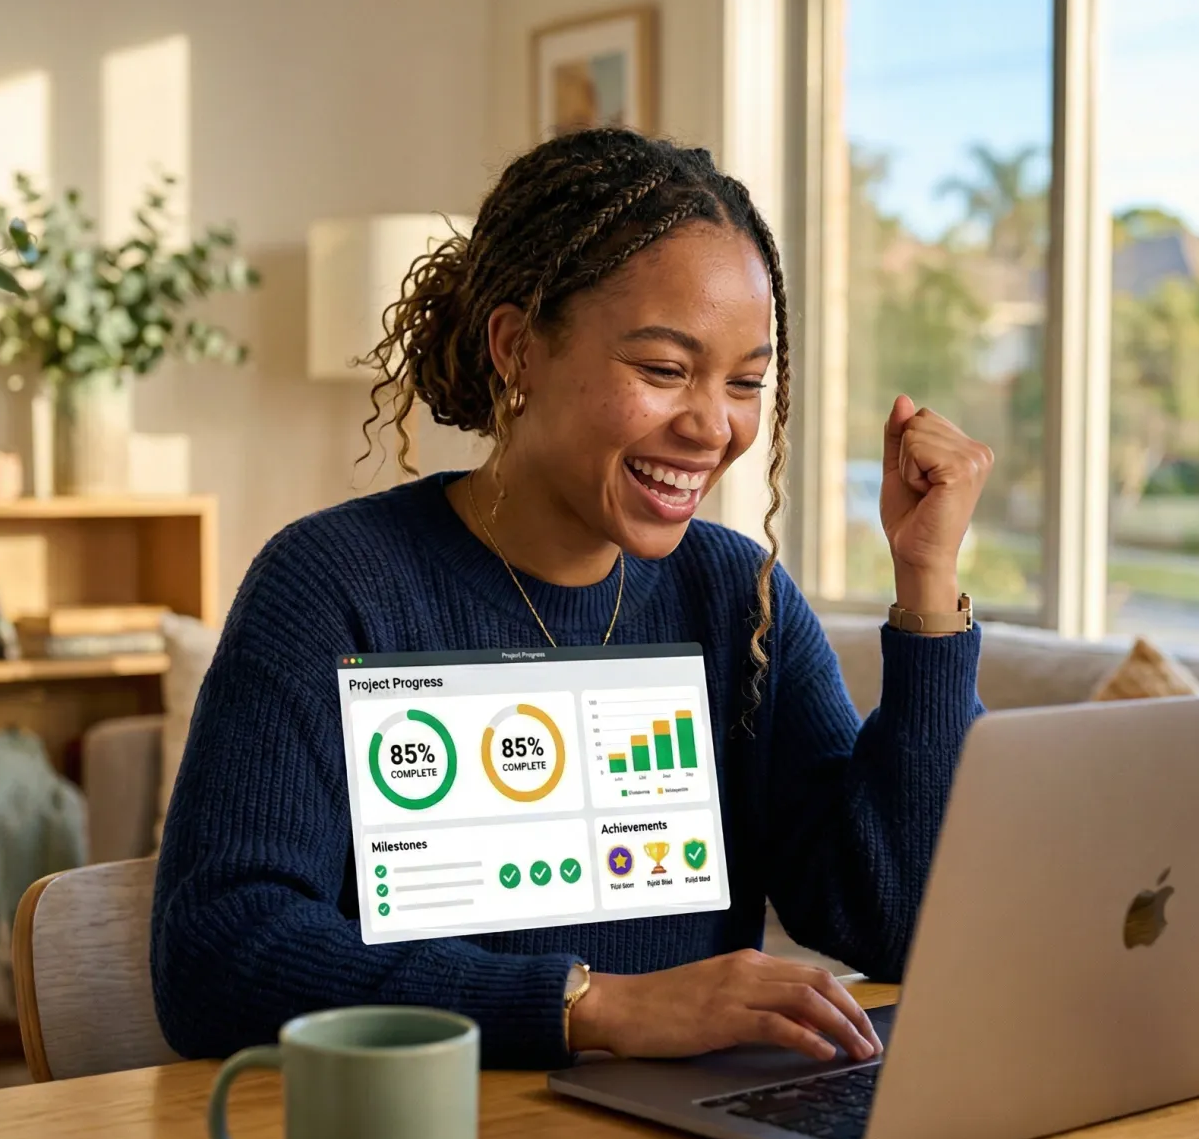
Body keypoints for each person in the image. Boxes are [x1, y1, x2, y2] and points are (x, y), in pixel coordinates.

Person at [151, 128, 993, 1069]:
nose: (713, 425)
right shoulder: (334, 585)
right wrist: (589, 1006)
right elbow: (217, 955)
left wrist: (927, 586)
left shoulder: (735, 596)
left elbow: (896, 923)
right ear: (517, 349)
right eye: (664, 370)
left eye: (747, 382)